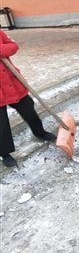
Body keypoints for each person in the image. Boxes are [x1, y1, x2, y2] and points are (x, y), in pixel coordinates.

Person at [0, 30, 56, 168]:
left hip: (13, 83)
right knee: (1, 124)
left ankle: (40, 132)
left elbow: (13, 46)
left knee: (28, 109)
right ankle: (4, 153)